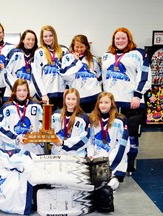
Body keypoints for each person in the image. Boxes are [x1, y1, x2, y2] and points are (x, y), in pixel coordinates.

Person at [101, 27, 152, 175]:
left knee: (131, 134)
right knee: (112, 135)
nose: (120, 41)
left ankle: (130, 161)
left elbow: (144, 75)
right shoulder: (106, 56)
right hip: (112, 104)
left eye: (123, 38)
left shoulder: (138, 54)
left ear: (129, 39)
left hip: (132, 102)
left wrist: (137, 94)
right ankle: (112, 163)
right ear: (113, 40)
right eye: (117, 38)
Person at [87, 92, 130, 190]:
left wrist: (109, 159)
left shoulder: (120, 120)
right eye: (101, 102)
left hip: (114, 157)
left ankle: (109, 187)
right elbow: (89, 140)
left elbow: (123, 144)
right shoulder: (92, 119)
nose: (103, 105)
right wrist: (90, 154)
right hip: (97, 157)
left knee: (111, 182)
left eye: (106, 102)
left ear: (112, 104)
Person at [0, 79, 44, 155]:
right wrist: (16, 137)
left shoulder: (36, 105)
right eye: (19, 90)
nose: (22, 93)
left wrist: (40, 136)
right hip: (14, 149)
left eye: (24, 90)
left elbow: (44, 125)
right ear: (14, 91)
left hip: (34, 149)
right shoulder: (6, 107)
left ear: (28, 91)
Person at [60, 34, 102, 113]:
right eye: (77, 47)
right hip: (77, 97)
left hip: (93, 95)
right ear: (73, 46)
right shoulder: (67, 58)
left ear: (86, 47)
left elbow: (99, 77)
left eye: (81, 47)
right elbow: (65, 74)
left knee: (92, 120)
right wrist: (76, 61)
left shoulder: (93, 59)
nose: (79, 49)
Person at [32, 25, 69, 110]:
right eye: (45, 36)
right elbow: (36, 75)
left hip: (62, 94)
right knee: (46, 122)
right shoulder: (39, 52)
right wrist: (43, 94)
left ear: (54, 36)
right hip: (47, 95)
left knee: (61, 121)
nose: (48, 38)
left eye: (50, 35)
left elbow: (69, 72)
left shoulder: (64, 50)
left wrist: (68, 89)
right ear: (42, 38)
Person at [51, 88, 90, 157]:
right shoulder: (56, 114)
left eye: (73, 99)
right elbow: (50, 131)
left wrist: (63, 143)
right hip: (57, 154)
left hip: (76, 155)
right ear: (64, 100)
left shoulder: (84, 118)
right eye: (68, 99)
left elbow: (84, 139)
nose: (70, 102)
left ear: (77, 100)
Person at [3, 29, 39, 102]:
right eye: (28, 39)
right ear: (23, 40)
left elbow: (37, 77)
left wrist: (28, 92)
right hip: (11, 94)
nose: (31, 42)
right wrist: (16, 89)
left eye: (33, 40)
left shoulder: (37, 56)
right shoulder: (14, 53)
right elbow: (6, 73)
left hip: (29, 95)